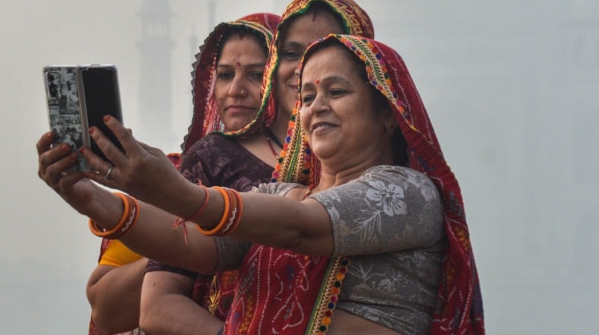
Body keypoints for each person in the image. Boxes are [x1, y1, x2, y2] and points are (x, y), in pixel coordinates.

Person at [38, 34, 483, 335]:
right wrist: (93, 198)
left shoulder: (408, 194)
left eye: (337, 92)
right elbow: (193, 245)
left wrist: (172, 190)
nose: (316, 107)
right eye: (306, 97)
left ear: (388, 113)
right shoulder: (278, 193)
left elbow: (303, 228)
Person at [140, 0, 374, 333]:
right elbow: (161, 297)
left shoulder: (391, 181)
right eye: (292, 53)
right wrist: (104, 197)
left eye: (322, 51)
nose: (305, 68)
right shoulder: (216, 159)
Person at [87, 12, 279, 335]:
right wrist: (180, 247)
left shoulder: (313, 171)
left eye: (256, 75)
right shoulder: (183, 172)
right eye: (225, 74)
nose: (236, 90)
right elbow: (105, 309)